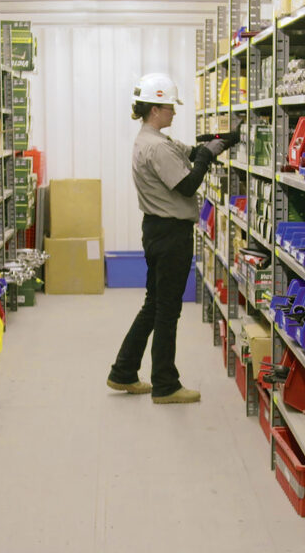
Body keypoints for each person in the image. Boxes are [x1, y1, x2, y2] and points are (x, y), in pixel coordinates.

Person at [106, 73, 237, 404]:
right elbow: (187, 185)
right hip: (170, 235)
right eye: (169, 108)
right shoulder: (156, 147)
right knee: (167, 310)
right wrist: (207, 157)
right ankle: (165, 384)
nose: (174, 113)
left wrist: (221, 140)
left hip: (157, 231)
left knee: (154, 305)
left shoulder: (152, 140)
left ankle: (123, 371)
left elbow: (190, 151)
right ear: (154, 110)